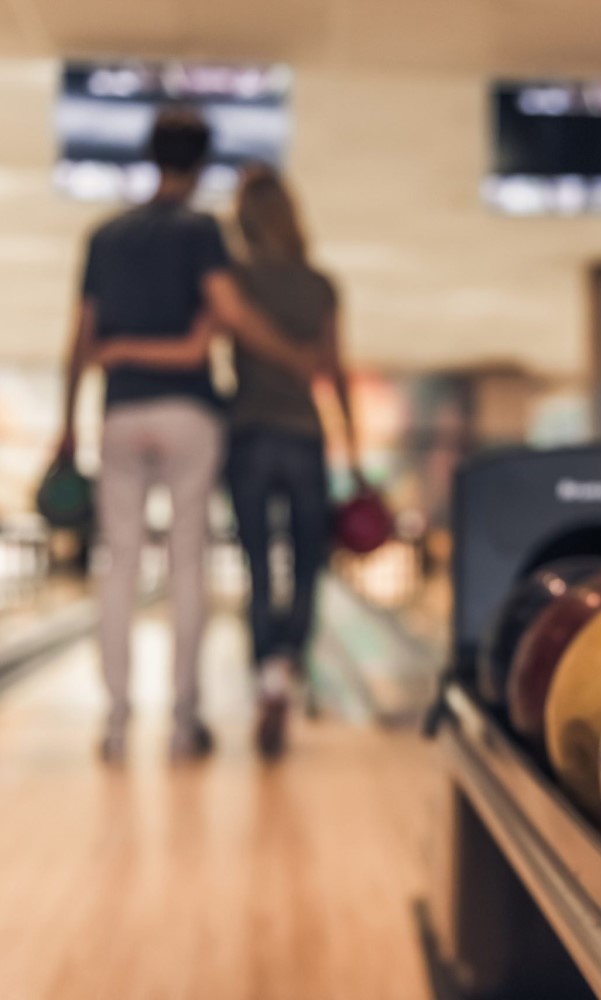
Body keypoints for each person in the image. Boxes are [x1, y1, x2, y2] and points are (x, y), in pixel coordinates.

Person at [59, 109, 319, 763]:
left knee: (118, 565)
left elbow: (81, 339)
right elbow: (229, 314)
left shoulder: (104, 235)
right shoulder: (202, 231)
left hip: (121, 413)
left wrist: (65, 422)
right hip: (189, 414)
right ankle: (183, 722)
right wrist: (291, 356)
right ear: (202, 166)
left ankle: (116, 722)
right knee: (185, 564)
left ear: (150, 157)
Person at [227, 165, 360, 758]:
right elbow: (334, 368)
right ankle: (288, 659)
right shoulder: (321, 285)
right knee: (307, 563)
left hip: (249, 435)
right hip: (305, 436)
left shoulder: (236, 278)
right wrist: (352, 452)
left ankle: (268, 679)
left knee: (259, 565)